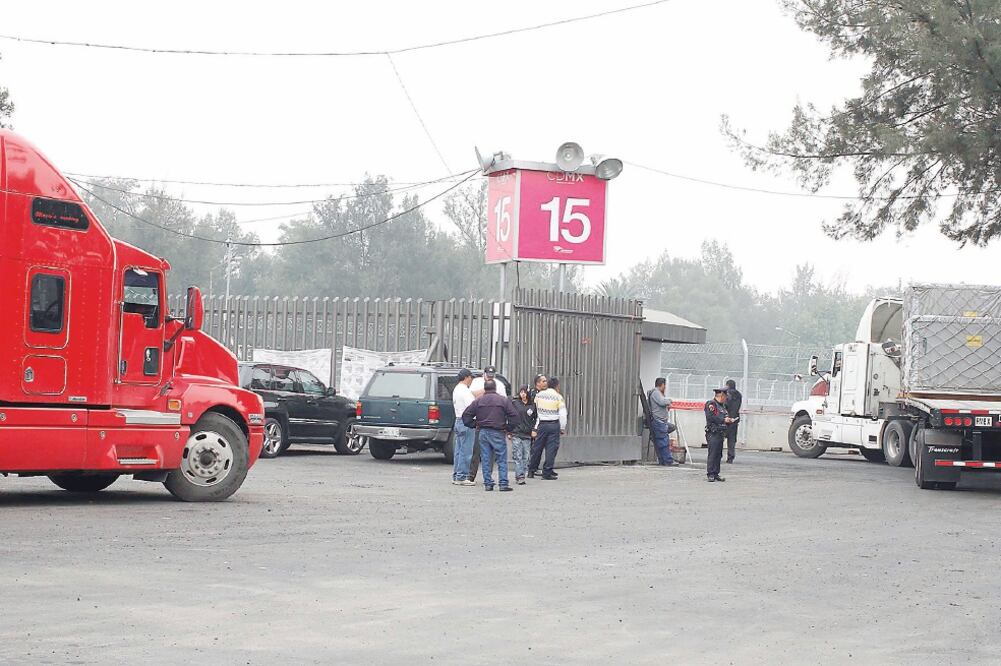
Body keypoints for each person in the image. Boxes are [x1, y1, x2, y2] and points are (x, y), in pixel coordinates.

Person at [462, 379, 519, 491]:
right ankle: (503, 484)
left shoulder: (478, 401)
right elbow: (515, 417)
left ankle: (488, 483)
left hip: (483, 431)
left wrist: (475, 424)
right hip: (498, 431)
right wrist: (508, 428)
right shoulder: (503, 400)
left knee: (486, 458)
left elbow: (466, 416)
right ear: (495, 388)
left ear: (485, 388)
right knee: (501, 458)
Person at [468, 365, 506, 483]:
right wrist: (487, 390)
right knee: (477, 451)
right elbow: (472, 396)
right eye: (488, 376)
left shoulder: (499, 384)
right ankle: (471, 475)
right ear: (483, 374)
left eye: (492, 376)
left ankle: (487, 477)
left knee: (492, 453)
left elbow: (504, 401)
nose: (490, 378)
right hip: (480, 421)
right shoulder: (476, 382)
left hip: (495, 422)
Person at [528, 376, 567, 480]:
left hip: (542, 424)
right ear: (557, 386)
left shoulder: (539, 395)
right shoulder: (558, 397)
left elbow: (535, 408)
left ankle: (531, 470)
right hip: (554, 425)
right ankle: (547, 472)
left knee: (537, 448)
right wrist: (562, 427)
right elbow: (563, 414)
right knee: (551, 449)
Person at [451, 369, 477, 486]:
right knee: (466, 451)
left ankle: (456, 474)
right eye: (471, 378)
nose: (471, 380)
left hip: (458, 419)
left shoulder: (456, 389)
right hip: (466, 421)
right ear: (466, 377)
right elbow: (472, 407)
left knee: (459, 450)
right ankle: (462, 477)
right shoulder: (465, 391)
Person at [704, 387, 733, 482]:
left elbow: (725, 416)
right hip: (713, 432)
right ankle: (710, 474)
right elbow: (711, 417)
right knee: (712, 454)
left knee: (718, 454)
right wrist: (723, 420)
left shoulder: (722, 406)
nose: (726, 399)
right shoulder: (711, 404)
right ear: (721, 395)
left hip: (720, 433)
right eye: (725, 396)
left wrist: (729, 420)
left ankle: (716, 473)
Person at [509, 385, 535, 485]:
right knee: (518, 455)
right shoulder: (515, 403)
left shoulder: (532, 405)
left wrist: (534, 429)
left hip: (527, 434)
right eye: (521, 392)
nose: (523, 394)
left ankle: (522, 473)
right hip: (516, 432)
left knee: (526, 456)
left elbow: (536, 418)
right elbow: (510, 416)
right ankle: (520, 476)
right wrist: (509, 431)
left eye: (524, 392)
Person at [648, 378, 678, 466]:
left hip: (660, 422)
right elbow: (662, 402)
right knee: (664, 442)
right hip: (658, 422)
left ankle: (663, 460)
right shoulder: (656, 393)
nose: (665, 387)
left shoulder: (657, 393)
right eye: (665, 385)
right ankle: (668, 461)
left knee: (662, 440)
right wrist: (669, 401)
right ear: (662, 385)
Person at [724, 379, 743, 464]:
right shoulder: (739, 395)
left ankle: (717, 456)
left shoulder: (726, 394)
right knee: (732, 440)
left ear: (728, 385)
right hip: (735, 419)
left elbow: (725, 406)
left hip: (726, 419)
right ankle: (730, 458)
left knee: (720, 439)